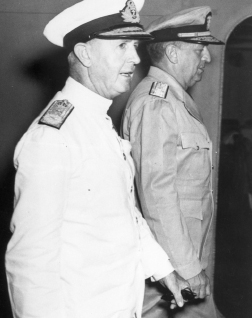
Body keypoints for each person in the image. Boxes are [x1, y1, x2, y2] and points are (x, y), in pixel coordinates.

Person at [5, 1, 189, 317]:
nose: (135, 57)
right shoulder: (53, 137)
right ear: (85, 54)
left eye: (134, 45)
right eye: (122, 45)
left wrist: (162, 269)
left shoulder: (96, 121)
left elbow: (122, 210)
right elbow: (30, 262)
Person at [121, 6, 224, 318]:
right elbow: (157, 195)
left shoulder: (175, 102)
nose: (206, 58)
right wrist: (189, 268)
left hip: (185, 264)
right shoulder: (156, 104)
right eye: (200, 49)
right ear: (174, 53)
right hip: (170, 274)